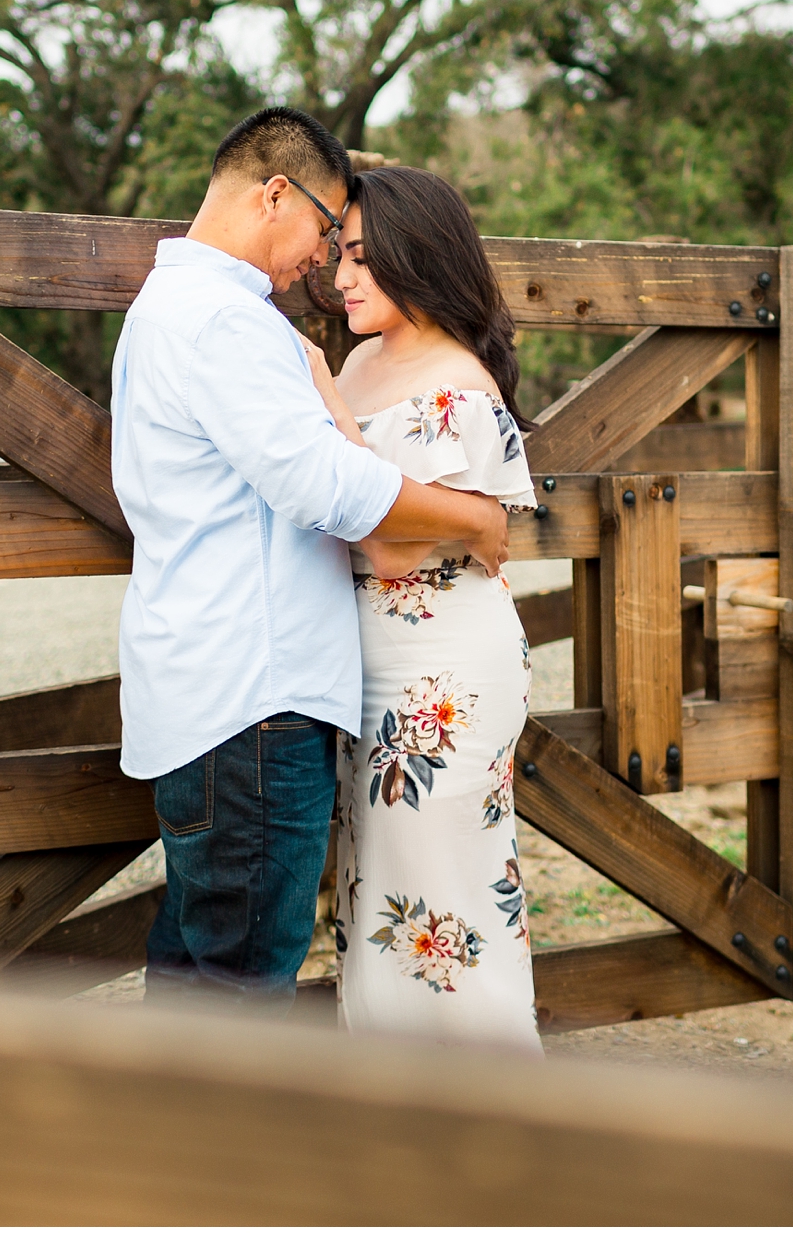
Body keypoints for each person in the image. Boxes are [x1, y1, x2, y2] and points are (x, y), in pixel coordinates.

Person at [111, 109, 512, 1010]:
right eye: (330, 231)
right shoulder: (222, 319)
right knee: (241, 985)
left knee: (197, 964)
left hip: (212, 687)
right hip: (254, 700)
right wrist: (475, 520)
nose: (326, 266)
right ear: (274, 194)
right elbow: (325, 486)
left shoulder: (175, 308)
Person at [301, 166, 543, 1050]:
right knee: (378, 897)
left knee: (448, 896)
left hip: (444, 676)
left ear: (419, 256)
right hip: (368, 669)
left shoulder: (456, 382)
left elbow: (393, 543)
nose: (342, 279)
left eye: (365, 259)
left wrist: (324, 402)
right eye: (340, 256)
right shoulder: (368, 358)